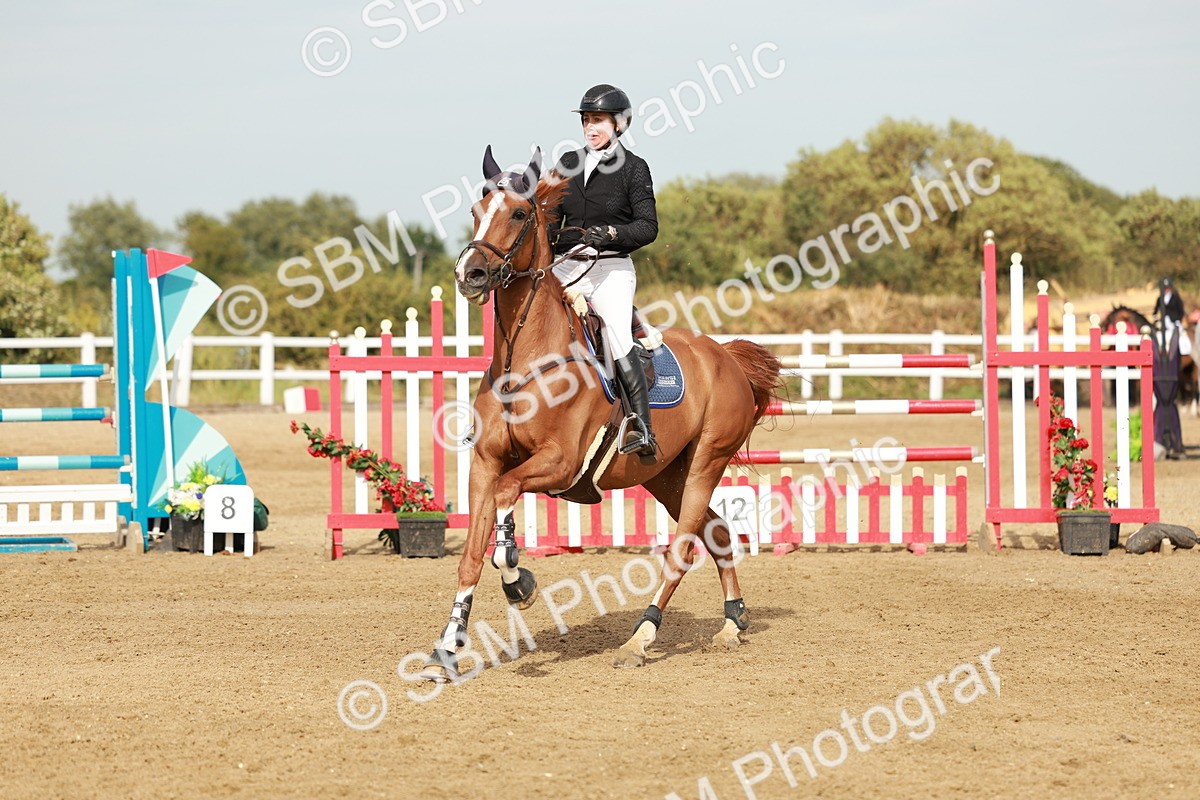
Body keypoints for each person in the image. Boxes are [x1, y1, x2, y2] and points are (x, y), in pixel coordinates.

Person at [550, 83, 659, 460]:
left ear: (619, 124)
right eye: (587, 121)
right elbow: (550, 220)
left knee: (615, 332)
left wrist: (613, 232)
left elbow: (648, 227)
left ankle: (642, 427)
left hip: (610, 268)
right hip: (565, 266)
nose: (590, 128)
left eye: (598, 120)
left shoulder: (634, 168)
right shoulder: (567, 163)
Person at [1153, 277, 1191, 356]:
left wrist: (1179, 319)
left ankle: (1184, 351)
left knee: (1180, 334)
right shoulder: (1160, 299)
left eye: (1167, 288)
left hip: (1174, 320)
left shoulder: (1175, 298)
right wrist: (1155, 317)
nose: (1166, 290)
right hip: (1163, 321)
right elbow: (1155, 311)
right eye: (1164, 288)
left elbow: (1180, 310)